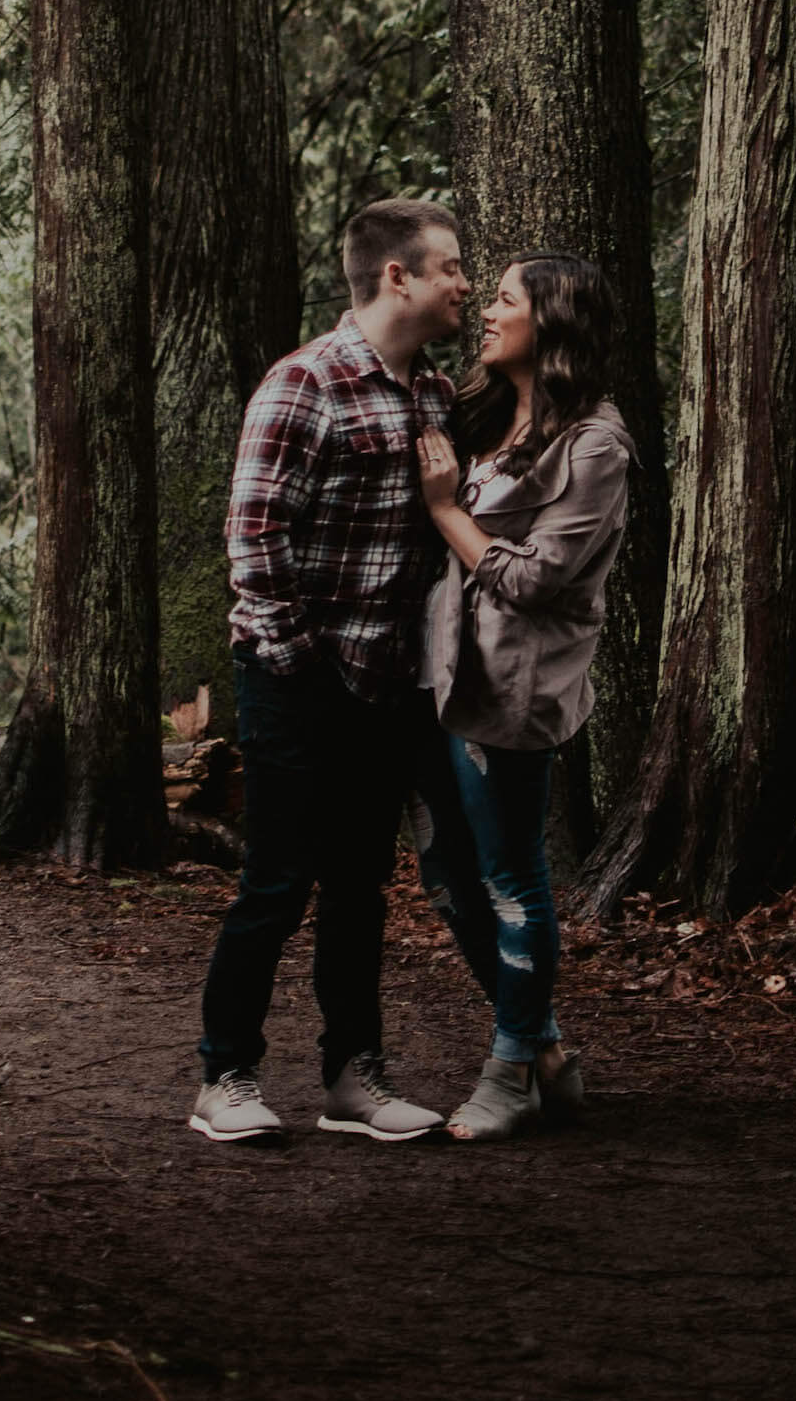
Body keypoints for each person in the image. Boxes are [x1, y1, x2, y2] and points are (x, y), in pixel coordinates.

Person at [189, 197, 472, 1145]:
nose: (465, 286)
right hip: (296, 675)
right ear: (398, 276)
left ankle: (354, 1077)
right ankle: (224, 1077)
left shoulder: (434, 395)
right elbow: (254, 548)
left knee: (359, 888)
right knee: (275, 882)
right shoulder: (302, 383)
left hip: (391, 683)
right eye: (451, 269)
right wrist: (309, 666)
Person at [416, 252, 633, 1141]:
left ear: (552, 322)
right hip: (442, 676)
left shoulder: (597, 446)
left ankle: (508, 1072)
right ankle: (543, 1049)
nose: (490, 311)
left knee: (511, 881)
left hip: (513, 692)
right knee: (446, 880)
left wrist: (446, 513)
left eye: (505, 298)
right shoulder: (491, 418)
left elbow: (537, 580)